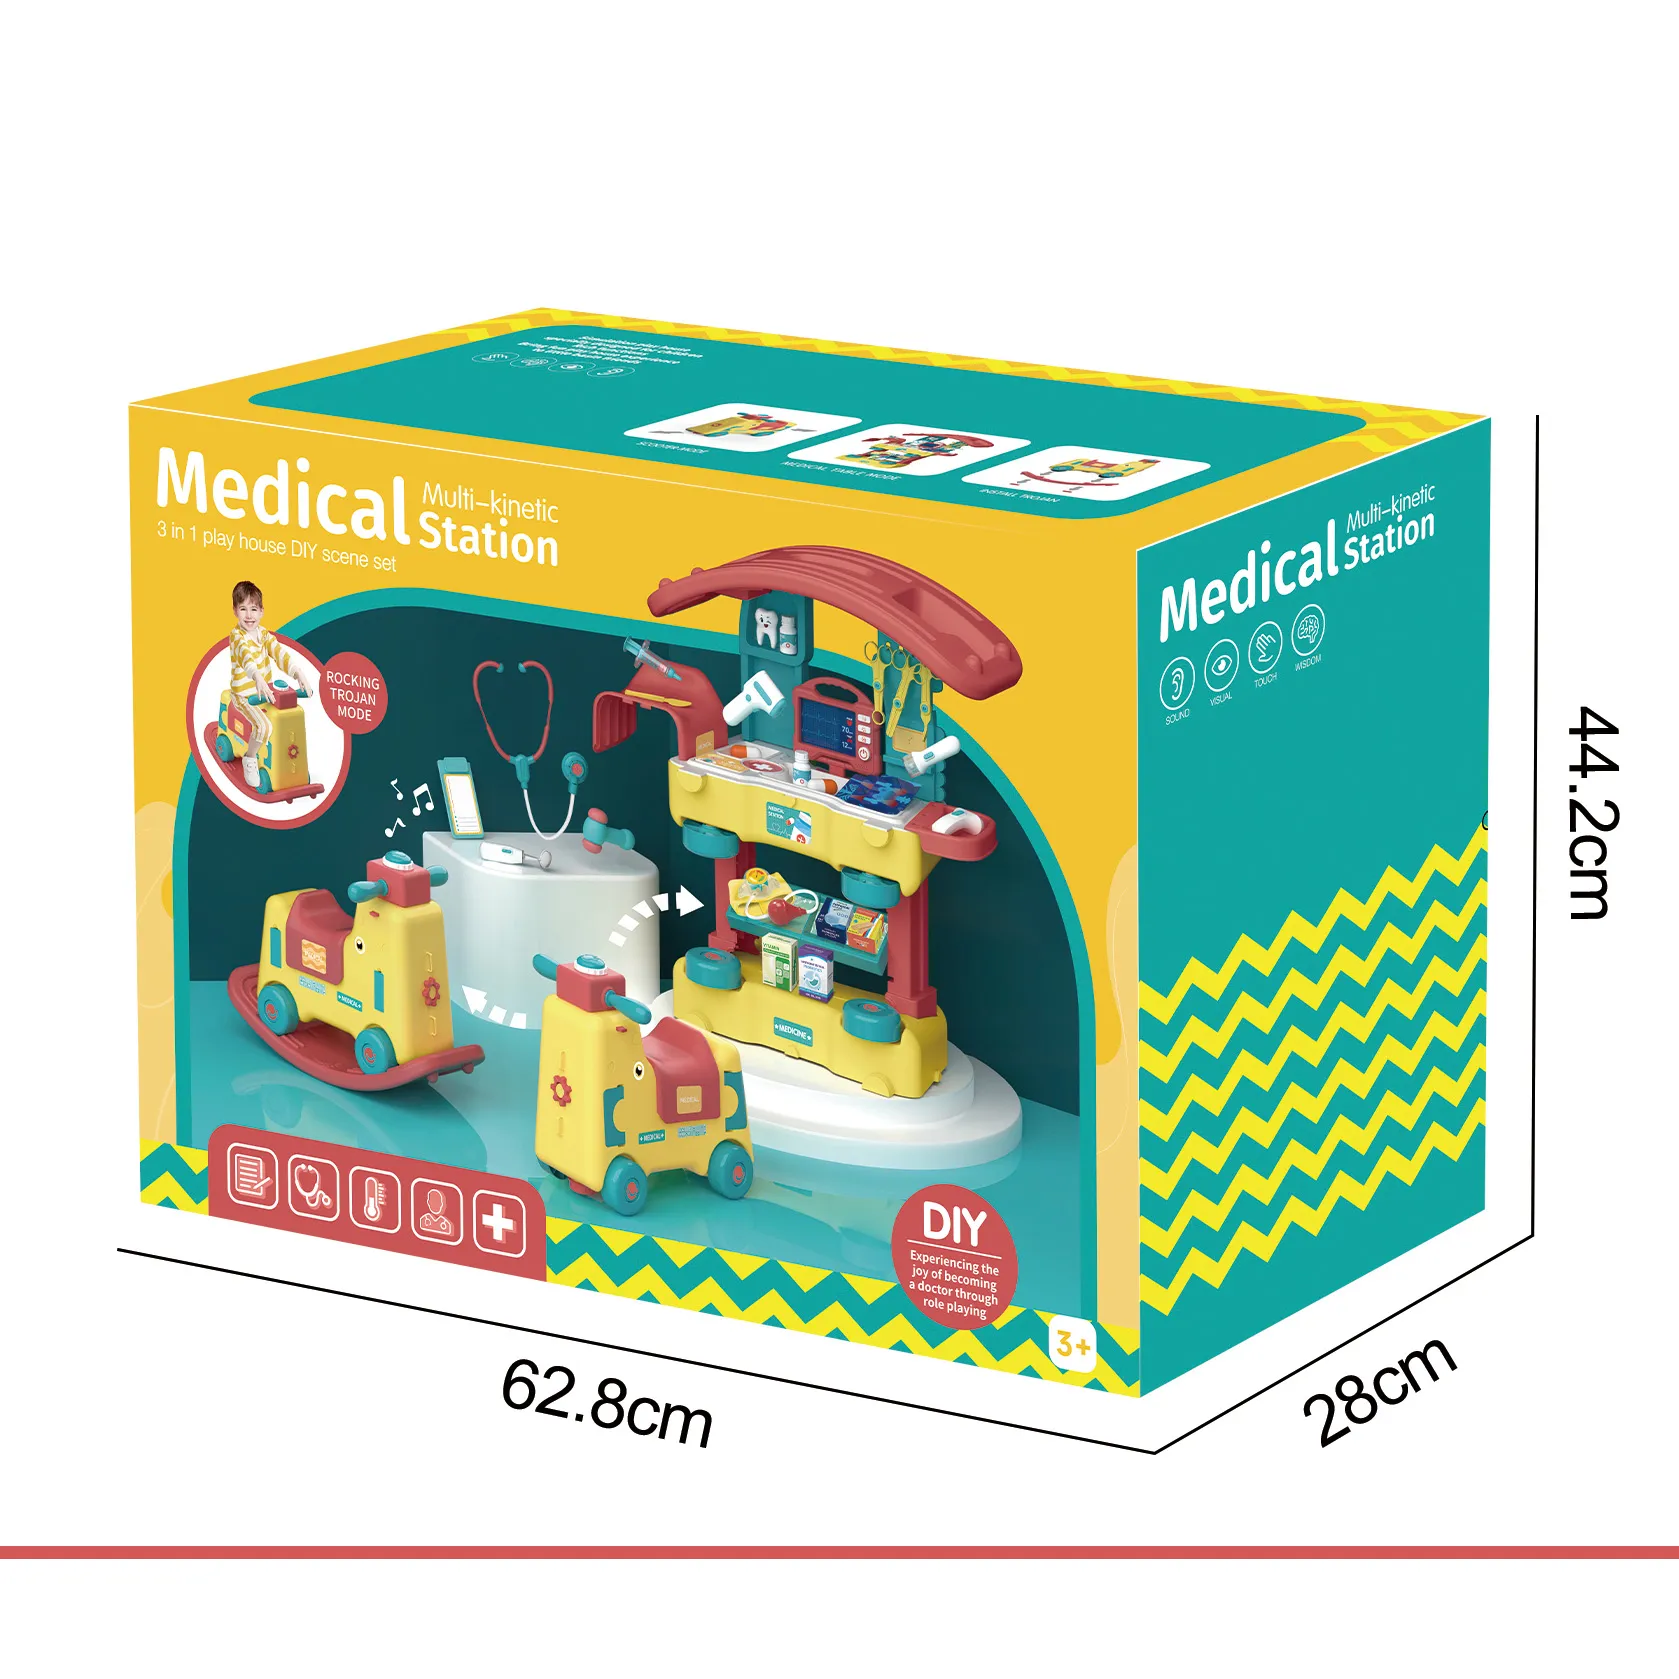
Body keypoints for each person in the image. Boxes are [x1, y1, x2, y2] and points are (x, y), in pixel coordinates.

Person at [227, 581, 311, 788]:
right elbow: (246, 658)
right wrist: (257, 677)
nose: (249, 615)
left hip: (265, 691)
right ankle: (250, 758)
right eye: (243, 609)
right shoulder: (237, 637)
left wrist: (298, 673)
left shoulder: (264, 635)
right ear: (235, 611)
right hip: (244, 696)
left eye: (254, 609)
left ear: (262, 611)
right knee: (264, 726)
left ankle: (286, 762)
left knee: (288, 716)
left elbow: (279, 653)